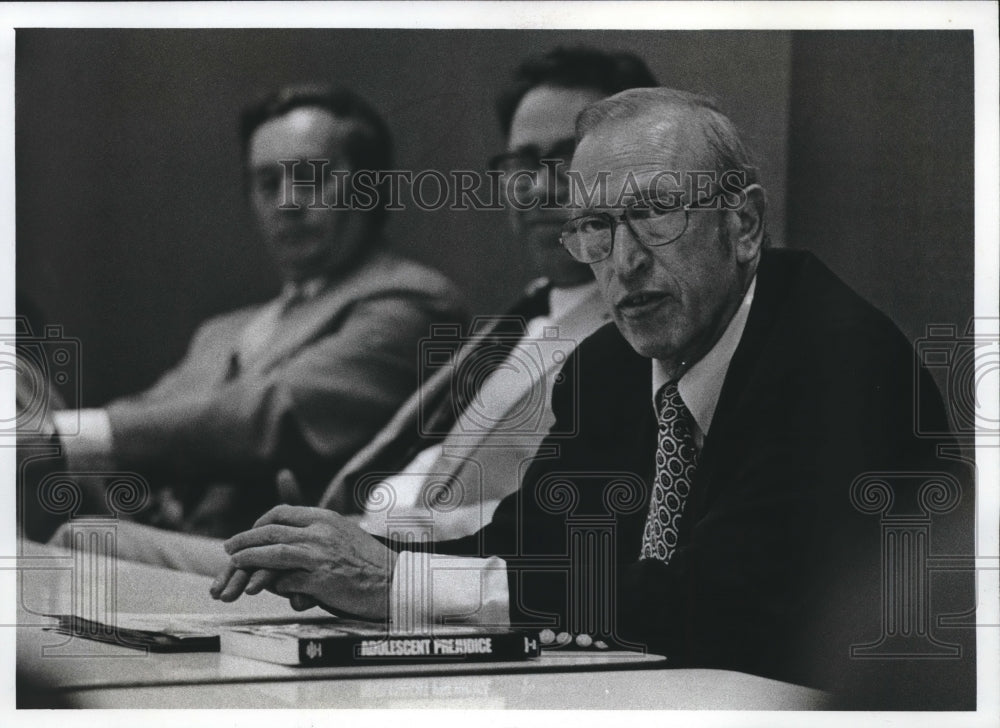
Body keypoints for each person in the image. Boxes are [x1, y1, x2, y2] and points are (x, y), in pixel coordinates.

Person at [214, 86, 975, 708]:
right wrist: (356, 566)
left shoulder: (833, 357)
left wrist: (400, 585)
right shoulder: (607, 366)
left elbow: (712, 601)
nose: (623, 261)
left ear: (742, 226)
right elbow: (524, 551)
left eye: (654, 213)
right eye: (596, 227)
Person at [83, 46, 656, 574]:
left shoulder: (641, 333)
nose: (537, 187)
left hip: (417, 577)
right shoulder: (521, 318)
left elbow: (543, 532)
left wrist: (366, 546)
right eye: (522, 161)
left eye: (566, 158)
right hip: (351, 551)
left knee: (80, 543)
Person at [36, 84, 466, 539]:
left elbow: (269, 417)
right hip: (183, 561)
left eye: (309, 176)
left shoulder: (413, 302)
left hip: (296, 580)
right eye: (267, 182)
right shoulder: (222, 333)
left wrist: (59, 435)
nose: (287, 202)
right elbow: (146, 419)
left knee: (79, 540)